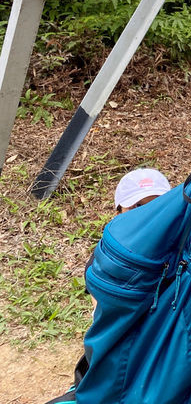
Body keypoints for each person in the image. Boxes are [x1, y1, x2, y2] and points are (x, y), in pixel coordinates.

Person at [44, 167, 173, 403]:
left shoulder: (182, 249)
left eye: (157, 205)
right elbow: (102, 317)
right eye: (137, 206)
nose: (147, 214)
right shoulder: (105, 258)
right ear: (118, 212)